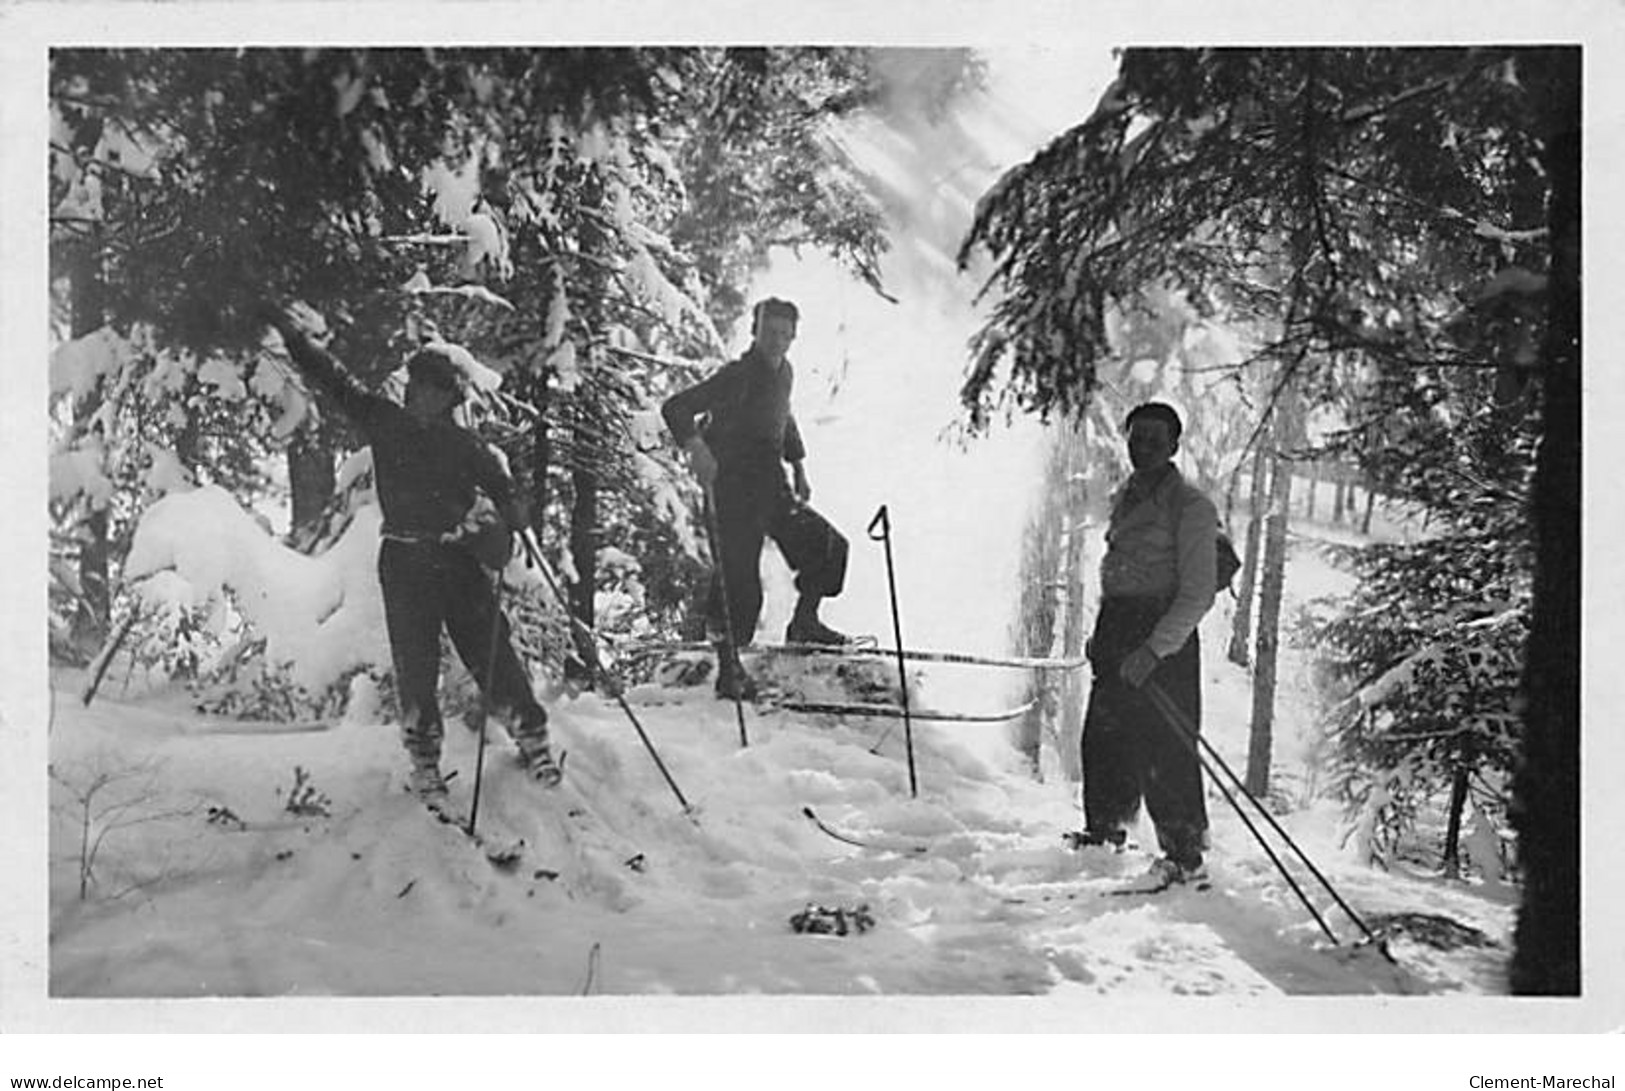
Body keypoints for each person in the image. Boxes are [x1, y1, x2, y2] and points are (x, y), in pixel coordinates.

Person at [259, 305, 560, 808]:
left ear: (447, 398)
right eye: (416, 385)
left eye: (432, 389)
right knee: (415, 665)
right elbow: (334, 381)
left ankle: (533, 740)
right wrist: (294, 339)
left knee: (491, 652)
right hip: (403, 561)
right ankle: (424, 761)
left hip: (457, 559)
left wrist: (514, 508)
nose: (419, 394)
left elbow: (505, 487)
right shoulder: (386, 423)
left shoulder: (464, 445)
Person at [661, 297, 851, 700]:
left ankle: (803, 625)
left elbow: (783, 416)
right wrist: (696, 448)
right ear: (755, 332)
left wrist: (798, 464)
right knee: (739, 584)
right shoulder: (737, 375)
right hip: (731, 489)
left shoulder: (784, 373)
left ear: (794, 336)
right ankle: (729, 671)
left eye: (785, 334)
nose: (777, 341)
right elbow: (676, 407)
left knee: (827, 545)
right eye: (770, 332)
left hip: (770, 484)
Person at [1076, 401, 1218, 891]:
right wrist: (1105, 635)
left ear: (1174, 446)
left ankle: (1184, 855)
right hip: (1119, 626)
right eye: (1136, 439)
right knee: (1105, 734)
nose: (1144, 448)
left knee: (1167, 747)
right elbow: (1121, 566)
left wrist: (1154, 650)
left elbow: (1199, 591)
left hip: (1164, 636)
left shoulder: (1191, 507)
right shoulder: (1125, 496)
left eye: (1155, 441)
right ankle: (1105, 831)